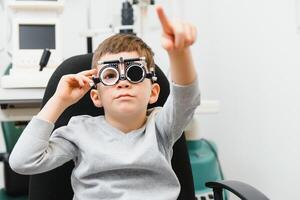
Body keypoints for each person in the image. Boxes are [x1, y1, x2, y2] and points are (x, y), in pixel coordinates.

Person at [9, 5, 200, 200]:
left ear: (153, 93)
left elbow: (186, 99)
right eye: (110, 76)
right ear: (96, 97)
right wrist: (59, 100)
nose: (123, 82)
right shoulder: (79, 131)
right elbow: (23, 162)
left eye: (134, 73)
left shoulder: (161, 127)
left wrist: (179, 53)